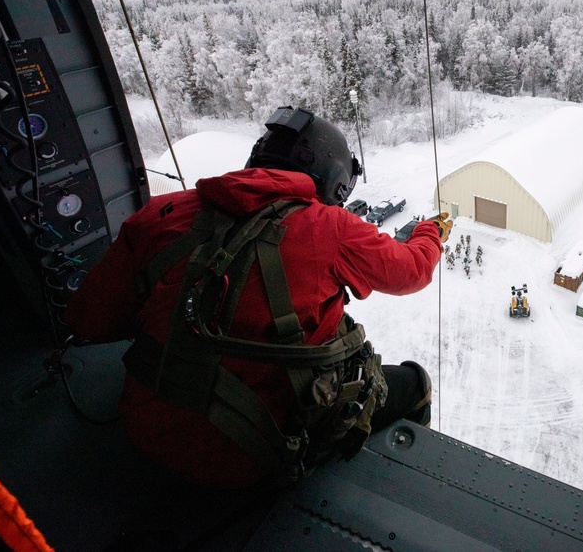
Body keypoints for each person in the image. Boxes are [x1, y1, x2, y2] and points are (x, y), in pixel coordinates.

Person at [65, 106, 452, 489]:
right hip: (250, 454)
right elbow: (412, 270)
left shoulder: (162, 213)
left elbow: (88, 320)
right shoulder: (331, 227)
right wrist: (430, 232)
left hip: (143, 426)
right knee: (415, 384)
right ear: (334, 180)